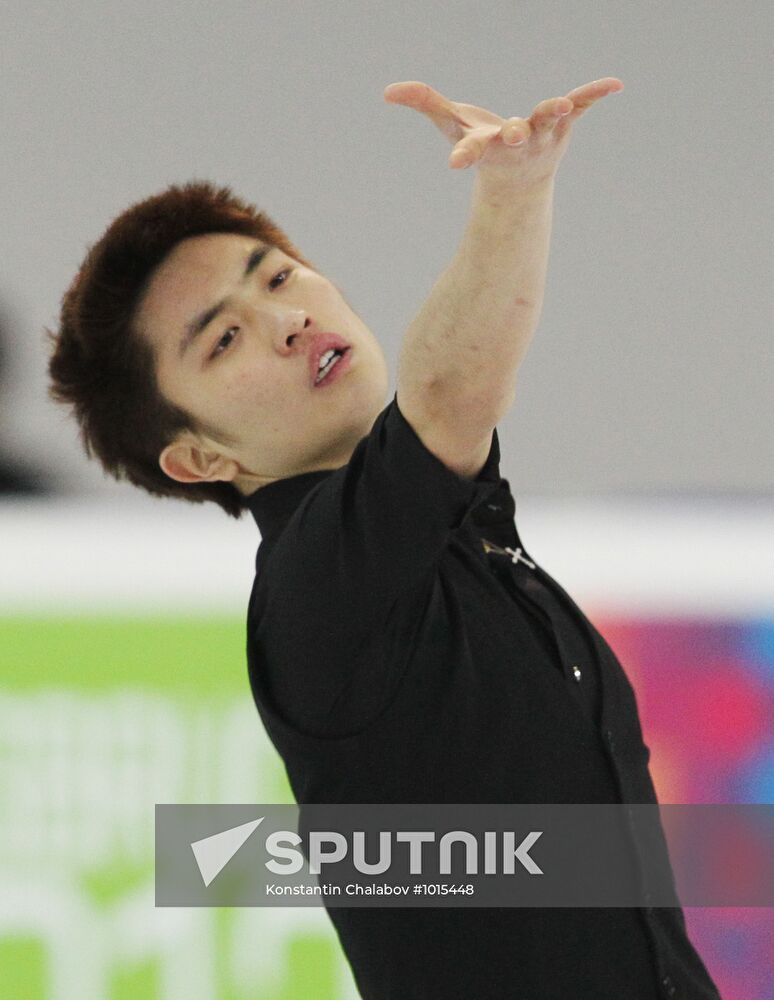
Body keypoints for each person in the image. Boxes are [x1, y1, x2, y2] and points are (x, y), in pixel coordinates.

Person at [48, 77, 722, 999]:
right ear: (198, 457)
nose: (287, 324)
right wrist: (515, 192)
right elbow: (449, 396)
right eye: (223, 340)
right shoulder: (319, 596)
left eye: (278, 277)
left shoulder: (460, 537)